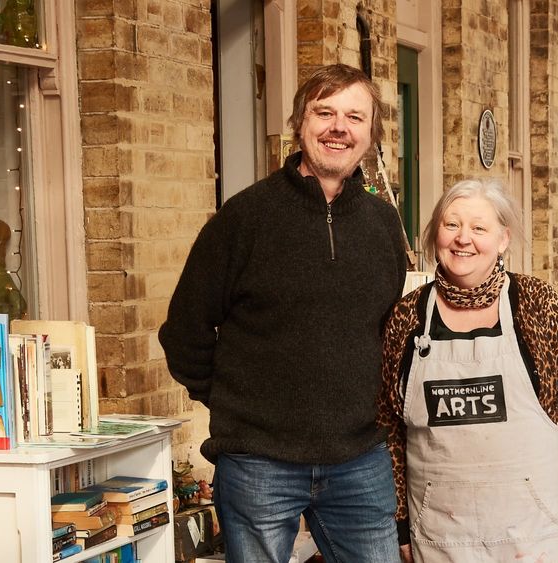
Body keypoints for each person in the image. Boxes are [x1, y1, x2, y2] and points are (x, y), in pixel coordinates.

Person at [159, 64, 407, 563]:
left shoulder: (384, 224)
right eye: (325, 112)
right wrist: (236, 404)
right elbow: (184, 332)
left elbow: (383, 332)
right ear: (300, 123)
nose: (340, 127)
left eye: (355, 117)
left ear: (370, 134)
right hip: (259, 463)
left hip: (359, 459)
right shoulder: (245, 217)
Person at [378, 178, 558, 562]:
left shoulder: (537, 303)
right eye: (451, 225)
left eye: (478, 228)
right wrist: (400, 522)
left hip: (534, 533)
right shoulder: (406, 317)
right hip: (441, 536)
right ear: (436, 234)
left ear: (503, 239)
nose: (462, 238)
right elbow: (389, 428)